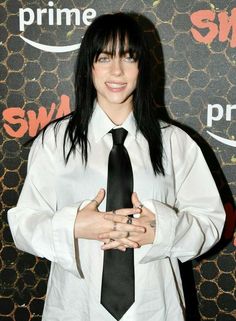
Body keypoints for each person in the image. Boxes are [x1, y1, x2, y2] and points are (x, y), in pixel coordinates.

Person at [8, 12, 225, 321]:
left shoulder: (176, 143)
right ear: (89, 65)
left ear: (142, 67)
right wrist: (73, 226)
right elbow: (23, 223)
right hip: (75, 308)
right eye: (105, 57)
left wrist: (161, 230)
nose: (118, 71)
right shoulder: (55, 141)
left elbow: (210, 222)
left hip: (155, 309)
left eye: (129, 58)